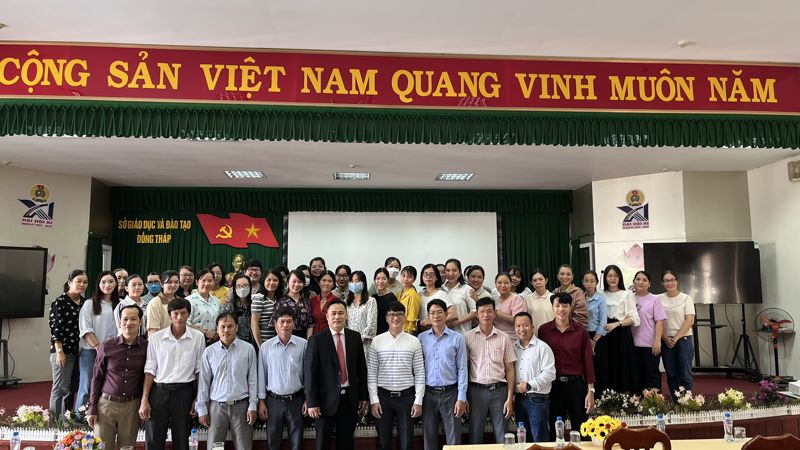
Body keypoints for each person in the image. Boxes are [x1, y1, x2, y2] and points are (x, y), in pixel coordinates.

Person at [139, 298, 205, 450]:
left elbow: (199, 370)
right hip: (159, 392)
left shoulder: (198, 337)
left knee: (182, 440)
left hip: (185, 392)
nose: (179, 317)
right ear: (169, 315)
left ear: (188, 314)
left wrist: (198, 398)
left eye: (183, 313)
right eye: (175, 314)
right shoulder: (156, 338)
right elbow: (150, 370)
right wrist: (144, 399)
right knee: (154, 439)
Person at [305, 300, 369, 450]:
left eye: (341, 313)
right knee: (322, 444)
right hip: (324, 402)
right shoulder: (316, 340)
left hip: (349, 400)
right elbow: (310, 374)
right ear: (327, 316)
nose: (337, 317)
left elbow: (361, 369)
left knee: (346, 443)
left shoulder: (355, 337)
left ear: (346, 316)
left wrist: (363, 396)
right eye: (333, 313)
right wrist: (312, 402)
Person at [86, 304, 148, 449]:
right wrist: (92, 408)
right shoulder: (106, 346)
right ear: (119, 322)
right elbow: (96, 378)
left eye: (133, 319)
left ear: (141, 322)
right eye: (125, 319)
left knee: (127, 447)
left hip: (132, 406)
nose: (128, 323)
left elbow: (148, 377)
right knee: (102, 447)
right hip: (106, 406)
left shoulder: (147, 347)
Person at [538, 292, 596, 441]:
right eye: (557, 305)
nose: (561, 309)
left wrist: (590, 390)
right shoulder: (544, 331)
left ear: (570, 308)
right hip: (553, 386)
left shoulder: (581, 332)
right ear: (552, 307)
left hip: (576, 385)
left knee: (581, 427)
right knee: (555, 428)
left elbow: (588, 362)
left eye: (565, 306)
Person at [197, 312, 258, 450]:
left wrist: (253, 405)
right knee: (215, 447)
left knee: (243, 447)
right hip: (217, 409)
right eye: (222, 326)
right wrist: (202, 409)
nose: (226, 330)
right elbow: (204, 383)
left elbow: (253, 380)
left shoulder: (248, 349)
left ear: (237, 327)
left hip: (242, 407)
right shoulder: (209, 352)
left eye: (230, 326)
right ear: (217, 329)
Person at [368, 302, 425, 450]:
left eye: (399, 314)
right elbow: (372, 373)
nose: (395, 318)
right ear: (386, 318)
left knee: (407, 443)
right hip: (383, 398)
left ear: (405, 317)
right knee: (383, 443)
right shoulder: (377, 341)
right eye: (392, 314)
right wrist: (374, 400)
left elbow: (420, 373)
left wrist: (418, 401)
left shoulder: (414, 341)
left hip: (407, 398)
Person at [465, 297, 516, 444]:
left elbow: (510, 369)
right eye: (482, 312)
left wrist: (510, 397)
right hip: (475, 391)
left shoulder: (504, 337)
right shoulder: (467, 337)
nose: (486, 315)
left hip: (499, 392)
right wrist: (464, 396)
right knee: (475, 436)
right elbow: (464, 368)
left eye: (489, 311)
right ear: (477, 314)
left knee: (502, 436)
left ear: (494, 314)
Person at [418, 299, 468, 450]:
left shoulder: (457, 338)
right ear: (428, 316)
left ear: (446, 314)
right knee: (429, 438)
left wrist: (461, 398)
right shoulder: (421, 338)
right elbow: (418, 369)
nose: (436, 316)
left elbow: (462, 368)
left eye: (439, 312)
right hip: (428, 393)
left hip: (451, 394)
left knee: (454, 439)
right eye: (432, 313)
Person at [258, 307, 308, 450]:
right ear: (275, 324)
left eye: (289, 321)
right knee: (273, 443)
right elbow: (261, 375)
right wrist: (261, 402)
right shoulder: (265, 347)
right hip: (273, 401)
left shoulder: (303, 344)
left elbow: (308, 374)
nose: (285, 325)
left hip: (296, 401)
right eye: (282, 321)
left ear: (294, 324)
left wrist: (307, 399)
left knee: (297, 444)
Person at [77, 271, 119, 411]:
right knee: (87, 386)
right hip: (91, 351)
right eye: (103, 282)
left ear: (116, 284)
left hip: (113, 352)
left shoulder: (120, 304)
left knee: (107, 387)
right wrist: (98, 347)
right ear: (98, 284)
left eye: (111, 281)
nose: (107, 285)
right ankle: (79, 419)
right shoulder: (90, 303)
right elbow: (86, 329)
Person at [49, 269, 88, 419]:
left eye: (85, 282)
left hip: (80, 352)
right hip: (63, 352)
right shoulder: (60, 302)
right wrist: (59, 352)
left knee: (72, 388)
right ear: (70, 282)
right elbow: (55, 329)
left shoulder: (85, 303)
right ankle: (55, 423)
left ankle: (67, 420)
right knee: (60, 388)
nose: (82, 284)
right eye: (79, 281)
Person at [513, 311, 556, 443]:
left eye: (525, 325)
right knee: (523, 439)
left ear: (532, 326)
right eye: (518, 326)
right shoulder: (513, 348)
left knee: (539, 439)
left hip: (537, 399)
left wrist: (529, 385)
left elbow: (550, 373)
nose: (521, 329)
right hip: (519, 399)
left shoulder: (542, 347)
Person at [597, 264, 639, 395]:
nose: (613, 278)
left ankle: (623, 398)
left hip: (621, 333)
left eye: (615, 275)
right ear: (605, 278)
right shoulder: (600, 294)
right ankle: (606, 398)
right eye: (609, 275)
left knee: (622, 366)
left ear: (620, 277)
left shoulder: (627, 294)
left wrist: (617, 324)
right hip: (604, 334)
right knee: (605, 366)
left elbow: (634, 319)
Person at [658, 270, 696, 399]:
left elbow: (690, 320)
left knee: (685, 372)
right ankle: (676, 402)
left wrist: (676, 338)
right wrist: (664, 338)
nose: (669, 283)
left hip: (684, 339)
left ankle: (687, 402)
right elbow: (656, 320)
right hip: (665, 340)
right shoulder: (657, 299)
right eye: (666, 280)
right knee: (671, 373)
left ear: (677, 281)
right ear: (662, 283)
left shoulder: (686, 298)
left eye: (672, 280)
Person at [631, 270, 667, 393]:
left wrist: (657, 341)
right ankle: (637, 402)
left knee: (651, 375)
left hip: (649, 345)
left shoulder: (654, 299)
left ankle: (653, 402)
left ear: (649, 284)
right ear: (634, 282)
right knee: (636, 376)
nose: (641, 282)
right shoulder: (629, 298)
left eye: (644, 280)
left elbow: (660, 321)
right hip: (631, 345)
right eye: (638, 279)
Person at [272, 269, 315, 338]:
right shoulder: (281, 302)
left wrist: (308, 341)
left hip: (303, 338)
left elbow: (310, 325)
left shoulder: (306, 302)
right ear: (288, 283)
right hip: (285, 336)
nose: (296, 284)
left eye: (299, 282)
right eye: (294, 281)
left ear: (303, 284)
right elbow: (275, 323)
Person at [186, 268, 223, 344]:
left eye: (210, 281)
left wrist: (216, 333)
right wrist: (205, 332)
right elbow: (185, 322)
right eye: (203, 280)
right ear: (197, 282)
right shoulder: (189, 300)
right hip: (194, 341)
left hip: (214, 341)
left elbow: (221, 320)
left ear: (214, 282)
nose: (206, 284)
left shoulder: (217, 301)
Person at [441, 258, 475, 335]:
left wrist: (458, 322)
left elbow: (474, 311)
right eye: (448, 270)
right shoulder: (441, 290)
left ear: (460, 272)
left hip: (462, 333)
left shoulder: (467, 289)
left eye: (454, 270)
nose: (451, 274)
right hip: (443, 334)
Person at [346, 270, 377, 353]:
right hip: (349, 342)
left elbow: (372, 324)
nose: (354, 284)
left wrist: (360, 340)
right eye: (352, 281)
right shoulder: (346, 302)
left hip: (365, 343)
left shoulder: (371, 301)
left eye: (357, 281)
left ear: (363, 283)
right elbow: (345, 323)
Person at [221, 275, 255, 346]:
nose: (242, 288)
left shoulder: (255, 303)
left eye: (245, 285)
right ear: (234, 288)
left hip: (254, 344)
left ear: (250, 287)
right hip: (235, 344)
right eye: (239, 286)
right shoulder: (229, 307)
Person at [251, 269, 282, 347]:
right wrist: (260, 346)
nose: (271, 283)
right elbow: (254, 324)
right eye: (269, 280)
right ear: (263, 281)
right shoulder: (259, 298)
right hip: (263, 343)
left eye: (275, 280)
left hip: (278, 343)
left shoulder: (280, 299)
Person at [552, 264, 589, 329]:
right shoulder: (554, 293)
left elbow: (581, 317)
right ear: (558, 276)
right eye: (562, 274)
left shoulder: (578, 293)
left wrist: (564, 327)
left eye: (568, 274)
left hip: (572, 330)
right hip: (555, 330)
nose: (565, 277)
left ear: (572, 277)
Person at [493, 272, 527, 339]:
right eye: (499, 283)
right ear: (496, 284)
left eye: (506, 283)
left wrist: (497, 312)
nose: (503, 285)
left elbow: (518, 320)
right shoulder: (494, 300)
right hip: (497, 336)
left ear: (511, 284)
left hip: (513, 337)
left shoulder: (516, 299)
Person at [418, 263, 452, 331]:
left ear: (436, 277)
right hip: (422, 332)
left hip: (438, 331)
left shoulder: (441, 294)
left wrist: (432, 322)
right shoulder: (419, 294)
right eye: (425, 274)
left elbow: (453, 314)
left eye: (431, 274)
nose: (428, 277)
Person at [146, 270, 180, 336]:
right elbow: (152, 330)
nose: (173, 285)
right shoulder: (155, 303)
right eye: (169, 282)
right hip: (161, 340)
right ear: (161, 284)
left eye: (176, 282)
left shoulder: (180, 301)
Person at [583, 270, 608, 354]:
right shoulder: (580, 299)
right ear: (583, 282)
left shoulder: (601, 299)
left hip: (598, 336)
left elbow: (603, 322)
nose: (589, 284)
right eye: (586, 281)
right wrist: (586, 339)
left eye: (592, 281)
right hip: (583, 336)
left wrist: (593, 341)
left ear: (597, 282)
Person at [372, 268, 399, 336]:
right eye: (378, 278)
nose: (380, 281)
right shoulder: (373, 297)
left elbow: (393, 319)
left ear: (388, 280)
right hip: (374, 335)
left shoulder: (391, 297)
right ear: (374, 280)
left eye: (384, 279)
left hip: (387, 334)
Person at [309, 270, 337, 334]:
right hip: (314, 337)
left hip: (329, 337)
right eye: (324, 280)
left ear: (333, 284)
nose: (326, 283)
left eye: (330, 281)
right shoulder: (312, 301)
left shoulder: (336, 302)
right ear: (319, 283)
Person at [397, 265, 421, 334]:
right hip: (398, 330)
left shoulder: (413, 295)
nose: (405, 279)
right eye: (403, 276)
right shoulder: (398, 294)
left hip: (407, 331)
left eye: (409, 277)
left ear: (414, 279)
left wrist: (409, 336)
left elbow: (412, 320)